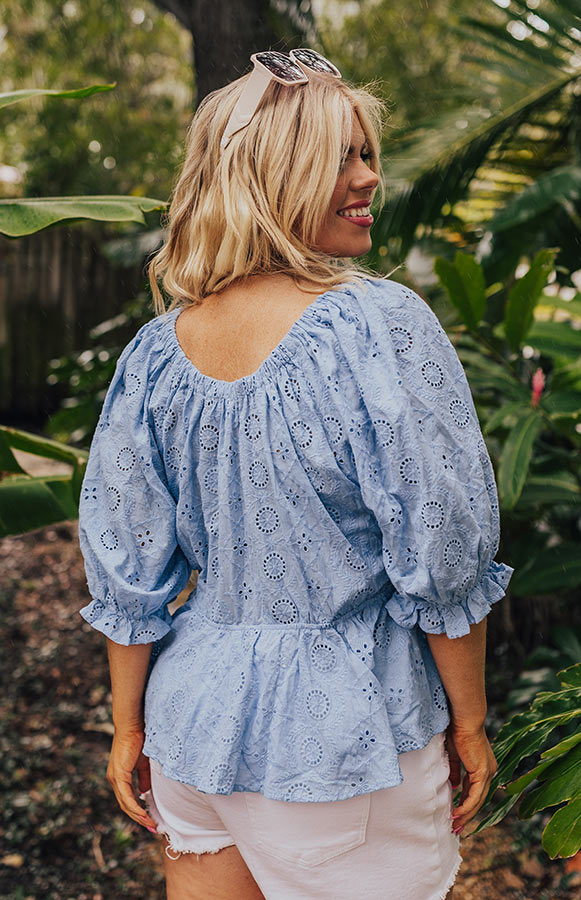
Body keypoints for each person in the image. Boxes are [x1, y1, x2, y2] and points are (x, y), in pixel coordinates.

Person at [78, 49, 513, 900]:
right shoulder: (376, 325)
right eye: (341, 158)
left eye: (367, 153)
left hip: (192, 735)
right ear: (272, 175)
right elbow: (441, 550)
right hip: (344, 746)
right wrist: (469, 722)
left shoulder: (158, 352)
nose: (369, 179)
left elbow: (126, 563)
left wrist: (127, 726)